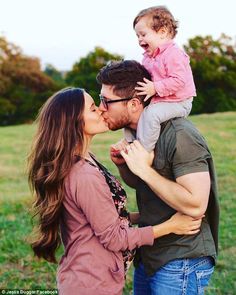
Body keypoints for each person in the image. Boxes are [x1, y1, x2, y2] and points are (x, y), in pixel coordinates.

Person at [27, 87, 202, 295]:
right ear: (74, 123)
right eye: (93, 108)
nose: (102, 110)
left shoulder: (86, 159)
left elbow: (101, 217)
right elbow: (115, 238)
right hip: (91, 284)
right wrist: (171, 226)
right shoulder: (84, 175)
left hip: (92, 278)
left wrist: (145, 216)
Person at [97, 60, 219, 294]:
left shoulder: (180, 135)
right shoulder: (136, 133)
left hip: (182, 258)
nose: (101, 107)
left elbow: (195, 205)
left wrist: (143, 169)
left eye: (106, 101)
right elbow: (143, 184)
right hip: (150, 254)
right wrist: (125, 166)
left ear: (133, 104)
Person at [124, 6, 196, 152]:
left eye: (143, 34)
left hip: (179, 102)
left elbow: (179, 81)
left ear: (162, 32)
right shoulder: (148, 57)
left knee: (151, 114)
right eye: (137, 36)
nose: (139, 39)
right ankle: (130, 142)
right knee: (131, 109)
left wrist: (155, 88)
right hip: (160, 98)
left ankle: (144, 150)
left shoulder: (174, 54)